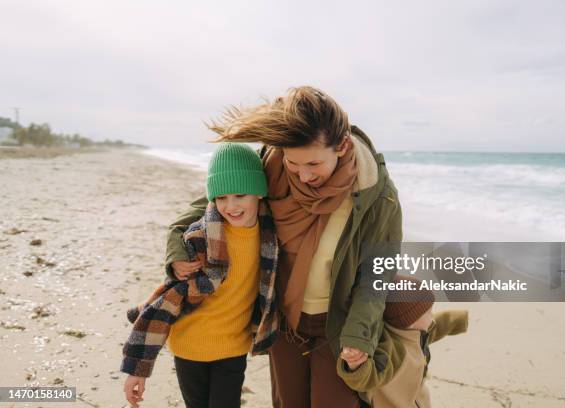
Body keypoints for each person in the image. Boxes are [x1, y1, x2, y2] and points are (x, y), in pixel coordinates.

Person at [165, 86, 403, 407]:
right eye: (294, 163)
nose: (303, 176)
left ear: (342, 146)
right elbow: (211, 205)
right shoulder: (270, 167)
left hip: (337, 322)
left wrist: (360, 334)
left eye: (314, 165)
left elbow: (377, 272)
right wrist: (176, 249)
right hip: (282, 319)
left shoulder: (375, 193)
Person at [120, 143, 279, 408]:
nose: (231, 206)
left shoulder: (270, 238)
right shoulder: (199, 239)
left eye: (240, 195)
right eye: (221, 198)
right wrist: (138, 368)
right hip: (189, 346)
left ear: (259, 193)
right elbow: (167, 302)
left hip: (233, 347)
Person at [337, 276, 469, 408]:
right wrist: (355, 364)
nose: (432, 316)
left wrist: (459, 319)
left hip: (417, 400)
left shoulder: (413, 332)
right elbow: (367, 377)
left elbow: (435, 327)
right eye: (428, 312)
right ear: (410, 320)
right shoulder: (392, 351)